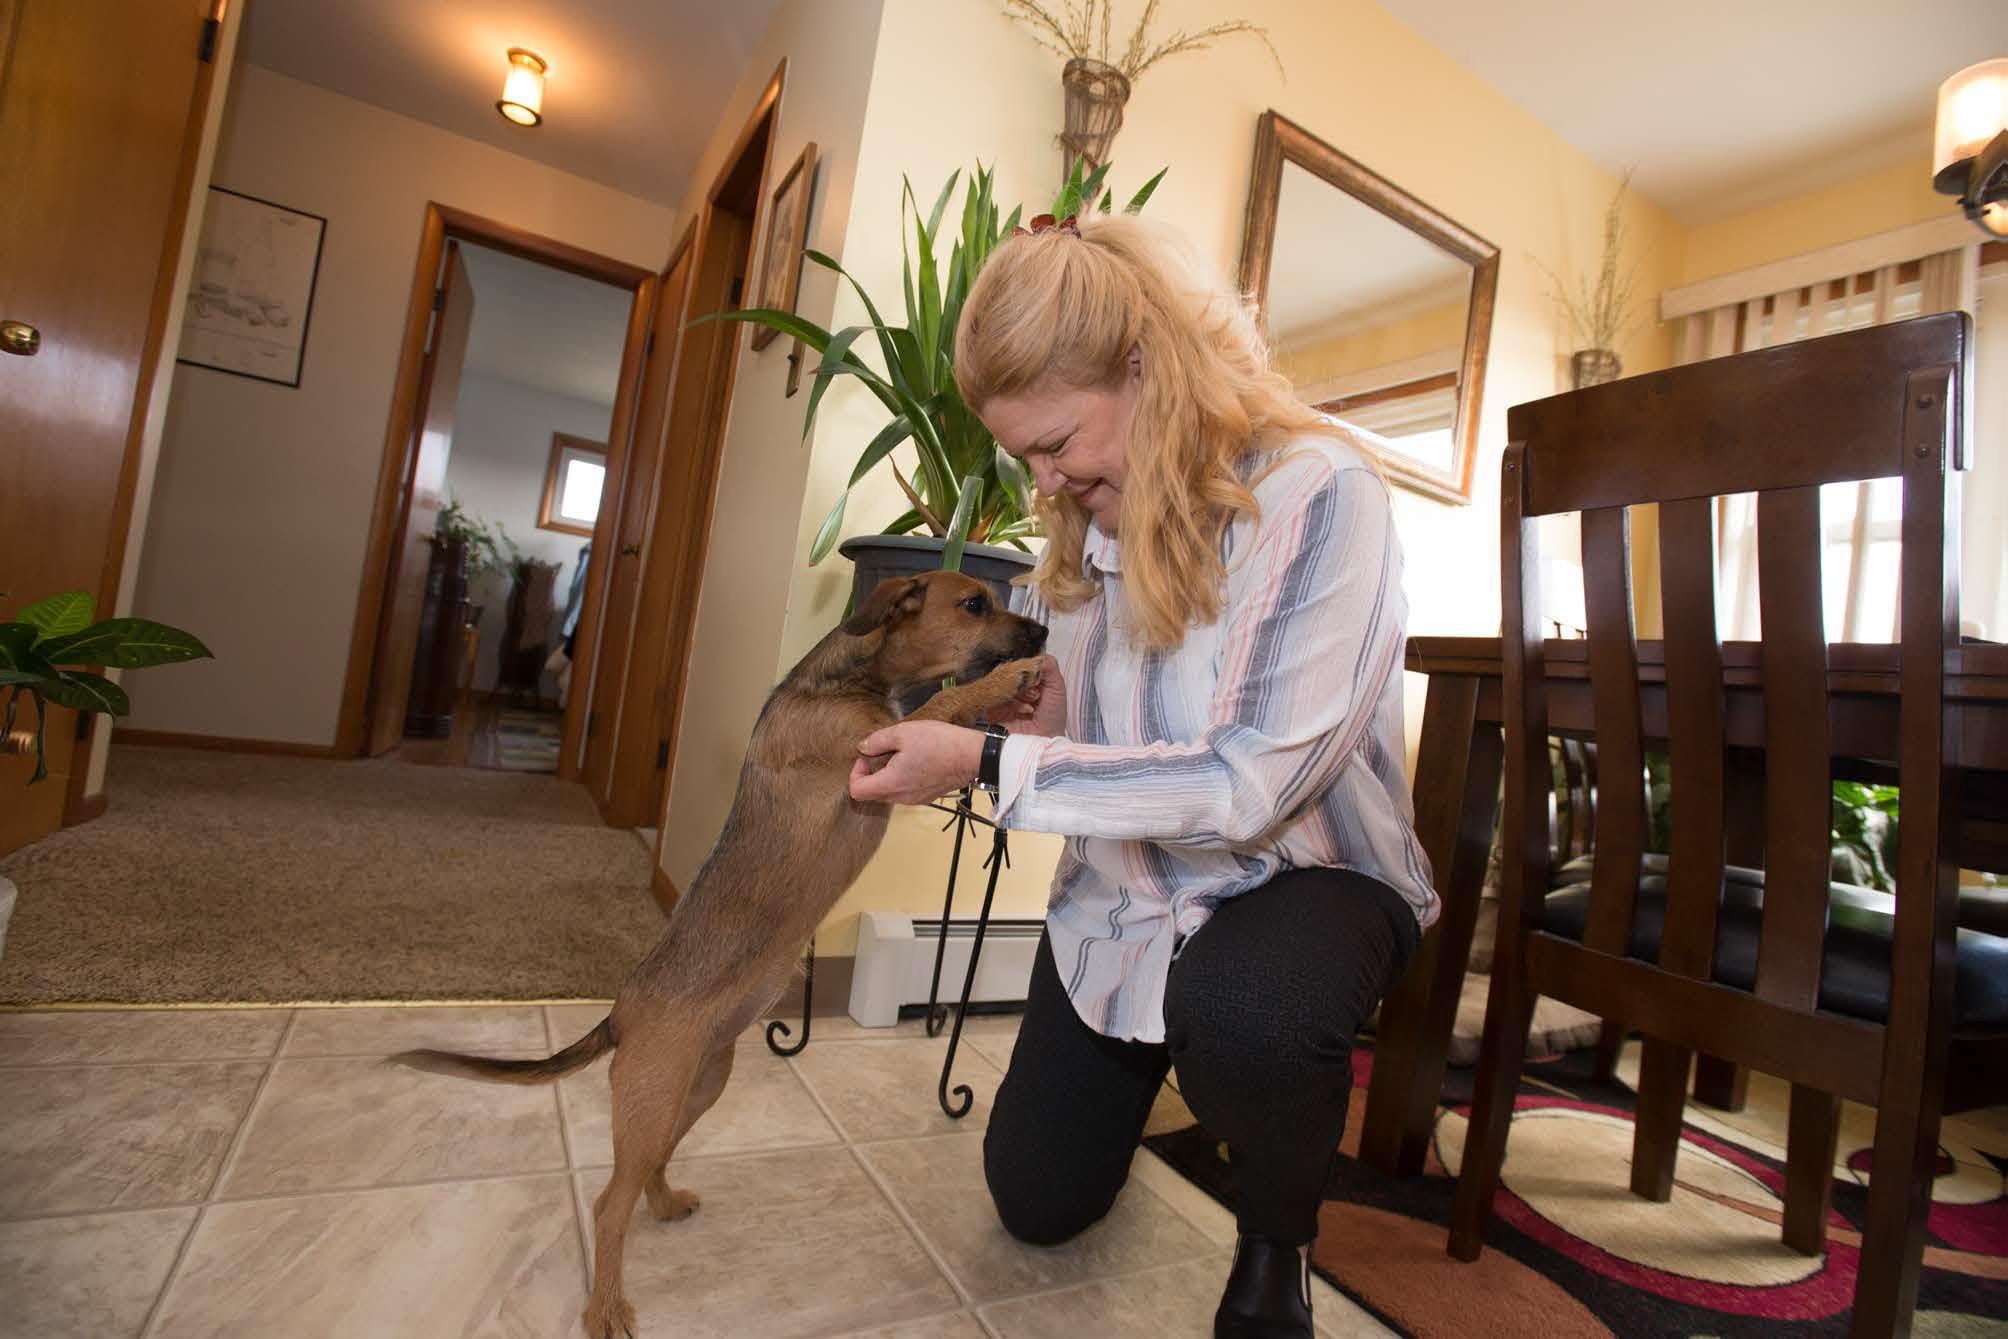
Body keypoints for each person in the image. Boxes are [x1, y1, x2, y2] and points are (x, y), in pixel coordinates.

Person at [848, 211, 1437, 1339]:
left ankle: (1276, 1240)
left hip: (1304, 883)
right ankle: (1175, 1041)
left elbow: (1248, 788)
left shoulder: (1322, 492)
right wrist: (1011, 704)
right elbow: (1082, 719)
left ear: (1146, 369)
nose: (1049, 480)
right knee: (1036, 1202)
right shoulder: (1088, 528)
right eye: (1028, 456)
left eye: (1058, 441)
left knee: (1248, 1006)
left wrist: (979, 761)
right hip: (1132, 889)